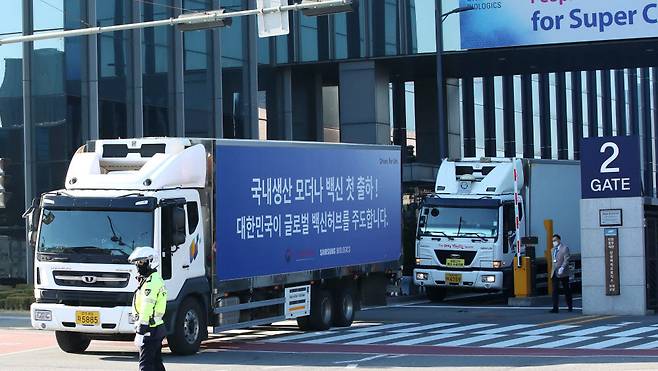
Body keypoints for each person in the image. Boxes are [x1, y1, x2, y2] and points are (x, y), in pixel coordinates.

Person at [129, 246, 168, 371]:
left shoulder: (151, 283)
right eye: (137, 263)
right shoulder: (151, 279)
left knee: (145, 365)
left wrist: (141, 331)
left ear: (151, 262)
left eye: (141, 262)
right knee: (156, 363)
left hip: (149, 329)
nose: (138, 266)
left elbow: (147, 307)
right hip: (156, 328)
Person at [550, 234, 573, 313]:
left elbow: (567, 259)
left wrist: (562, 267)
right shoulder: (552, 250)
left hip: (563, 272)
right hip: (555, 272)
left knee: (566, 289)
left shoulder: (564, 248)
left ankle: (570, 306)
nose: (554, 242)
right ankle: (555, 308)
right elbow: (553, 261)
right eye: (553, 241)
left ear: (559, 240)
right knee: (554, 290)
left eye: (555, 240)